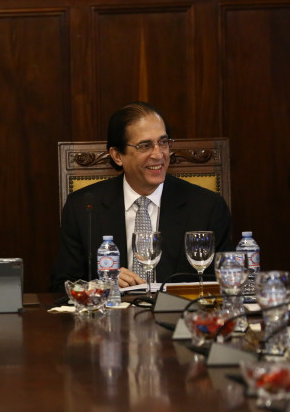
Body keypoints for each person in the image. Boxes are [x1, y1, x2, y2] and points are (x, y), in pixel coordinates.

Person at [50, 102, 232, 292]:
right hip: (112, 311)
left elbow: (225, 283)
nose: (158, 154)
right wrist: (101, 285)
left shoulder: (207, 207)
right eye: (145, 146)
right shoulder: (84, 208)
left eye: (163, 142)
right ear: (117, 156)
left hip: (177, 310)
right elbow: (60, 286)